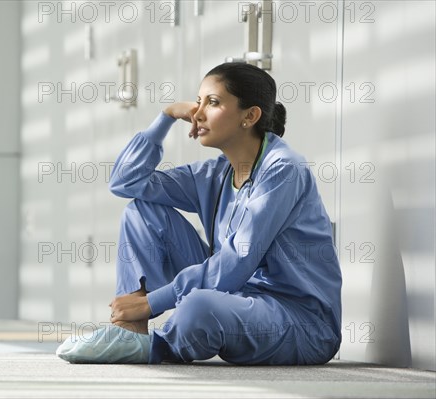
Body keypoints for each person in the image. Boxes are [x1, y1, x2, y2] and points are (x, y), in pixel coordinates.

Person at [57, 62, 342, 365]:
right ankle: (130, 331)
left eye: (213, 102)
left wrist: (152, 303)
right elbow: (127, 182)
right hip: (238, 297)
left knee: (199, 306)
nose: (198, 112)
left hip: (300, 322)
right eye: (198, 101)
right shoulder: (216, 173)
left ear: (250, 116)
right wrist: (165, 118)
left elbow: (237, 261)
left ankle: (157, 346)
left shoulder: (283, 169)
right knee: (142, 211)